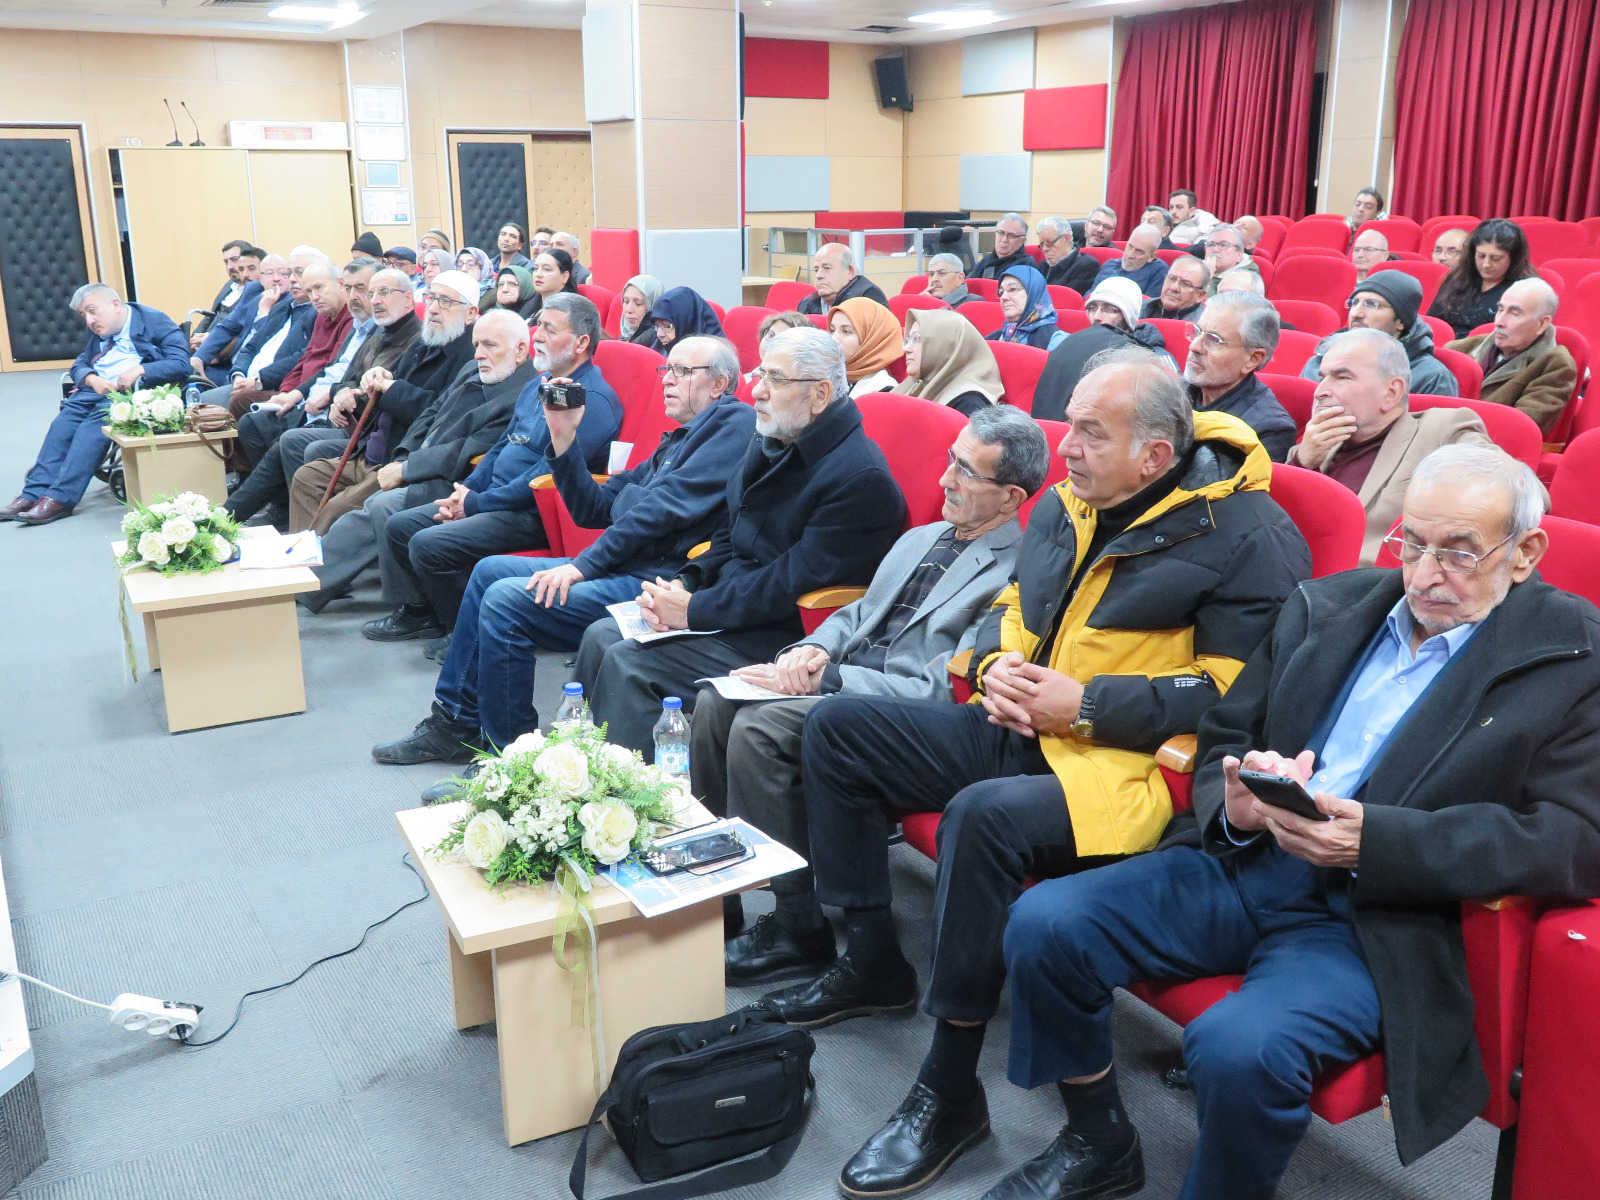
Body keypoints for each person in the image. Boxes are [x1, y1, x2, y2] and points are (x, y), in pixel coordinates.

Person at [760, 362, 1311, 1200]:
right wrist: (996, 669)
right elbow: (1009, 605)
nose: (1067, 446)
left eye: (1091, 432)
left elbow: (1234, 694)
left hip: (1128, 766)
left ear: (1154, 455)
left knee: (982, 816)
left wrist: (1083, 705)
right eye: (1071, 424)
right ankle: (871, 957)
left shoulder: (1249, 537)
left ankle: (949, 1087)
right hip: (1026, 727)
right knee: (838, 727)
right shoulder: (1066, 501)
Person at [992, 443, 1600, 1200]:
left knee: (1240, 1048)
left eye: (1459, 553)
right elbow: (1226, 732)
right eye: (1412, 543)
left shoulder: (1573, 657)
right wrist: (1235, 804)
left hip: (1378, 917)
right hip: (1252, 859)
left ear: (1525, 553)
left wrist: (1379, 840)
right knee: (1044, 923)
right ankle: (1097, 1137)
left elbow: (1578, 840)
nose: (1423, 575)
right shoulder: (1330, 605)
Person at [700, 406, 1046, 979]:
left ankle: (797, 923)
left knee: (759, 727)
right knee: (716, 702)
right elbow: (857, 611)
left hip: (893, 710)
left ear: (1011, 497)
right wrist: (810, 651)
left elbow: (939, 687)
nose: (945, 479)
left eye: (966, 471)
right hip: (839, 679)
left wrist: (830, 679)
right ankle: (721, 892)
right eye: (950, 460)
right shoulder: (924, 537)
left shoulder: (1013, 573)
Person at [374, 336, 758, 777]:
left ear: (719, 384)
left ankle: (510, 759)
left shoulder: (733, 423)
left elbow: (658, 511)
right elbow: (596, 508)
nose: (667, 380)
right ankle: (456, 721)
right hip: (629, 565)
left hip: (661, 582)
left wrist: (580, 566)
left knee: (506, 600)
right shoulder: (678, 440)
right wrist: (563, 437)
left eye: (682, 371)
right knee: (488, 572)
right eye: (666, 369)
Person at [572, 326, 906, 753]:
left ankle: (635, 789)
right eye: (761, 374)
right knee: (600, 636)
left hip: (786, 634)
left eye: (775, 379)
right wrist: (687, 581)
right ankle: (575, 773)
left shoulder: (859, 479)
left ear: (820, 394)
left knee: (630, 663)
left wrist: (694, 610)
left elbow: (788, 585)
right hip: (732, 604)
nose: (758, 391)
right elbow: (732, 531)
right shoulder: (775, 435)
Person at [368, 293, 621, 643]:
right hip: (493, 499)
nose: (537, 336)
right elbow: (502, 445)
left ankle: (470, 634)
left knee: (427, 544)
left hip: (534, 511)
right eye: (538, 326)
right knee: (399, 526)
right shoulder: (538, 383)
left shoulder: (592, 400)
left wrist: (475, 504)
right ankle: (432, 617)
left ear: (580, 343)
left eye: (549, 329)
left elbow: (544, 476)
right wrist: (467, 490)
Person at [301, 309, 539, 612]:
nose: (479, 353)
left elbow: (472, 449)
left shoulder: (522, 392)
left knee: (379, 506)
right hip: (419, 463)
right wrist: (404, 456)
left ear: (520, 349)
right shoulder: (472, 369)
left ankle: (408, 609)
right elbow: (430, 414)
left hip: (455, 479)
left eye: (490, 345)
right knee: (354, 503)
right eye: (477, 344)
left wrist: (408, 469)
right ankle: (304, 581)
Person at [286, 270, 485, 532]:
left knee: (337, 509)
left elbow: (440, 415)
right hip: (369, 450)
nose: (434, 308)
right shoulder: (424, 342)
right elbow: (386, 382)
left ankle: (320, 553)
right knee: (307, 478)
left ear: (470, 313)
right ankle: (306, 549)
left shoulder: (471, 358)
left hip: (398, 459)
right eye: (432, 298)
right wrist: (375, 378)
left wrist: (391, 388)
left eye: (446, 301)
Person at [223, 267, 422, 526]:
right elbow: (343, 376)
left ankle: (233, 518)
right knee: (257, 423)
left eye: (380, 292)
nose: (373, 300)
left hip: (373, 437)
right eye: (370, 293)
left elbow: (385, 396)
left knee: (293, 442)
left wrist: (344, 395)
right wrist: (338, 394)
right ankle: (249, 516)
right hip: (347, 420)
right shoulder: (377, 334)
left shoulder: (415, 341)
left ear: (408, 298)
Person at [1290, 327, 1488, 564]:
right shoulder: (1311, 448)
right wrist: (1302, 463)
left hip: (1374, 578)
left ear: (1392, 393)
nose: (1320, 391)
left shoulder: (1442, 430)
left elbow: (1508, 487)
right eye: (1322, 377)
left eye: (1342, 377)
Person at [3, 284, 190, 525]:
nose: (89, 321)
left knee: (89, 433)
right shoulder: (101, 328)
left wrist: (141, 369)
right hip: (94, 390)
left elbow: (181, 364)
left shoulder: (154, 321)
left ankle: (60, 498)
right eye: (84, 315)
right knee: (61, 428)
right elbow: (80, 363)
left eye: (92, 311)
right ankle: (32, 493)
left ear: (115, 304)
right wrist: (92, 379)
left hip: (126, 394)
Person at [231, 259, 378, 475]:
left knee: (282, 435)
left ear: (338, 284)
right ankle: (261, 489)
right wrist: (287, 391)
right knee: (251, 421)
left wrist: (299, 394)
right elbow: (304, 358)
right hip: (307, 394)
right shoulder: (319, 316)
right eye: (309, 291)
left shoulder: (354, 320)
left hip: (325, 402)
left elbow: (336, 370)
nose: (314, 296)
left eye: (319, 288)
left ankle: (269, 493)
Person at [189, 248, 325, 414]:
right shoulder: (277, 303)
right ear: (260, 278)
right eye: (289, 273)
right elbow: (249, 344)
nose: (290, 279)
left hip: (275, 384)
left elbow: (301, 356)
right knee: (198, 397)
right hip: (243, 376)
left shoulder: (315, 311)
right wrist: (238, 375)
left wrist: (259, 381)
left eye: (297, 273)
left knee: (224, 403)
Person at [1030, 278, 1175, 420]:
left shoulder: (1151, 354)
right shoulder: (1070, 343)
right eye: (1092, 308)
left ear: (1128, 316)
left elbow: (1174, 401)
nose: (1097, 317)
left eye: (1109, 309)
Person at [1447, 277, 1577, 434]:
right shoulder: (1459, 349)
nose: (1499, 322)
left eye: (1514, 313)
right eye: (1500, 310)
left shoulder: (1556, 365)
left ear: (1542, 324)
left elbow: (1520, 428)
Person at [1300, 271, 1458, 396]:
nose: (1357, 313)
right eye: (1354, 303)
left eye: (1372, 304)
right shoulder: (1320, 363)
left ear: (1400, 322)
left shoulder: (1431, 377)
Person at [1184, 290, 1296, 460]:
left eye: (1213, 339)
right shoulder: (1172, 391)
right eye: (1197, 332)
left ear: (1252, 359)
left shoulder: (1269, 429)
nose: (1194, 346)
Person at [1429, 219, 1537, 340]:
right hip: (1446, 346)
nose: (1486, 264)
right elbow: (1433, 322)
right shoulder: (1458, 278)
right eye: (1481, 256)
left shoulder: (1526, 290)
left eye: (1496, 258)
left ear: (1513, 259)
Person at [191, 252, 287, 384]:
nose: (276, 278)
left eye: (283, 273)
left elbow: (269, 341)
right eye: (269, 273)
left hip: (257, 372)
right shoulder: (253, 291)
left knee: (204, 390)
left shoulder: (292, 301)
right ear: (261, 278)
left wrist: (264, 312)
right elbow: (227, 328)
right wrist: (199, 357)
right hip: (232, 366)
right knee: (187, 376)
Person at [895, 308, 1002, 417]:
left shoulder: (968, 403)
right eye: (907, 340)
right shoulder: (917, 384)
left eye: (917, 339)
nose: (906, 349)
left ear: (944, 346)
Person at [190, 239, 260, 350]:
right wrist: (194, 338)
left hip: (223, 349)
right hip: (203, 344)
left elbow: (243, 330)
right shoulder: (229, 285)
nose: (230, 266)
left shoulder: (257, 292)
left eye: (234, 260)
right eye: (226, 262)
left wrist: (211, 340)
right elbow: (211, 315)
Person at [830, 298, 901, 397]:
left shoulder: (884, 389)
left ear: (871, 339)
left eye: (846, 331)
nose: (833, 339)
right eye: (832, 330)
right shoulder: (826, 375)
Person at [987, 264, 1066, 351]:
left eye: (1013, 289)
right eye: (1001, 292)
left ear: (1034, 292)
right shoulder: (993, 339)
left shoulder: (1056, 341)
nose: (1004, 297)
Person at [797, 244, 890, 315]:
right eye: (816, 270)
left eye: (827, 268)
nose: (818, 275)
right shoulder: (807, 304)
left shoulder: (868, 297)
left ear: (850, 271)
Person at [1091, 224, 1168, 298]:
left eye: (1139, 252)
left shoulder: (1159, 272)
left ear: (1151, 256)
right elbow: (1089, 298)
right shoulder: (1110, 265)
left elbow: (1148, 305)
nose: (1129, 255)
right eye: (1129, 246)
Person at [1036, 216, 1100, 294]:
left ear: (1066, 238)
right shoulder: (1041, 267)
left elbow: (1067, 297)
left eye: (1049, 243)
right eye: (1042, 244)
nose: (1044, 249)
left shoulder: (1087, 266)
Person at [650, 286, 725, 352]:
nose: (659, 334)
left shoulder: (715, 357)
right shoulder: (658, 350)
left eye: (666, 326)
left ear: (688, 322)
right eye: (657, 326)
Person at [1143, 255, 1209, 320]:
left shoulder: (1202, 324)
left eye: (1185, 284)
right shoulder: (1142, 307)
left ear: (1200, 295)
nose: (1174, 287)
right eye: (1172, 278)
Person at [523, 249, 579, 322]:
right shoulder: (531, 303)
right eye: (536, 268)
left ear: (564, 276)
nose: (538, 274)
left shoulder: (565, 313)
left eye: (546, 269)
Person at [970, 213, 1031, 280]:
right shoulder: (987, 260)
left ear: (1022, 241)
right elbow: (968, 282)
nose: (1004, 240)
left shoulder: (1025, 266)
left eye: (1011, 235)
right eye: (1001, 233)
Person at [1200, 224, 1256, 295]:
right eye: (1211, 244)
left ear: (1239, 254)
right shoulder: (1197, 268)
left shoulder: (1246, 279)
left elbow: (1218, 302)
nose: (1215, 249)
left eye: (1223, 245)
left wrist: (1207, 277)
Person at [617, 275, 664, 345]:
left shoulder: (660, 341)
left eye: (638, 303)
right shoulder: (624, 337)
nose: (629, 310)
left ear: (653, 305)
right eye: (626, 301)